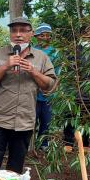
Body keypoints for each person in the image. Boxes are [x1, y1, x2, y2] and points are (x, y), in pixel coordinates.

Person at [0, 17, 57, 180]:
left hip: (24, 122)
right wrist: (5, 66)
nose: (18, 34)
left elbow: (50, 85)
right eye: (14, 30)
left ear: (31, 34)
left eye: (23, 30)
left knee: (15, 168)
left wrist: (34, 72)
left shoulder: (41, 58)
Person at [34, 23, 60, 151]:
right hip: (33, 94)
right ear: (36, 37)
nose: (45, 37)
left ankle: (43, 145)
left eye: (48, 35)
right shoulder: (32, 51)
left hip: (49, 95)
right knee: (31, 120)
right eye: (42, 35)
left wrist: (52, 90)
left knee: (46, 121)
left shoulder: (55, 52)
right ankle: (29, 145)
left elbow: (58, 74)